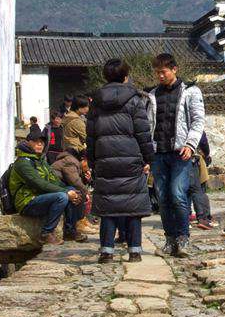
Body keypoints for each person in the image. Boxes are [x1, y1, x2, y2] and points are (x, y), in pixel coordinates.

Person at [86, 58, 155, 262]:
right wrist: (148, 157)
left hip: (105, 159)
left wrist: (92, 160)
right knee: (132, 206)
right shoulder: (135, 100)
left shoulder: (96, 102)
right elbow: (143, 132)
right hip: (131, 158)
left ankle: (106, 251)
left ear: (105, 77)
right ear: (126, 77)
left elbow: (91, 136)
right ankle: (134, 251)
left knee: (109, 207)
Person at [147, 53, 205, 258]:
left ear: (174, 69)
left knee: (178, 195)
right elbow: (148, 125)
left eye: (163, 72)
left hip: (181, 153)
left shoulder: (190, 92)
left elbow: (198, 121)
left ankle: (183, 238)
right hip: (158, 153)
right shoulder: (152, 95)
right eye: (157, 72)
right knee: (162, 198)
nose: (160, 76)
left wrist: (190, 144)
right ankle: (170, 239)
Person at [6, 136, 84, 239]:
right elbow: (39, 184)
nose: (40, 145)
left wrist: (70, 191)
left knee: (74, 192)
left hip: (41, 197)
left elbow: (54, 181)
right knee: (62, 197)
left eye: (42, 143)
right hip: (27, 201)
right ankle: (47, 233)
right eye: (36, 141)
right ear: (28, 142)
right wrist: (65, 192)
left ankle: (70, 231)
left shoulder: (41, 160)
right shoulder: (23, 163)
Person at [188, 129, 217, 231]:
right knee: (197, 189)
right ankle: (203, 217)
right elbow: (203, 142)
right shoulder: (195, 126)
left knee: (181, 191)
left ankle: (184, 217)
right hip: (192, 159)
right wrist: (206, 154)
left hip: (173, 160)